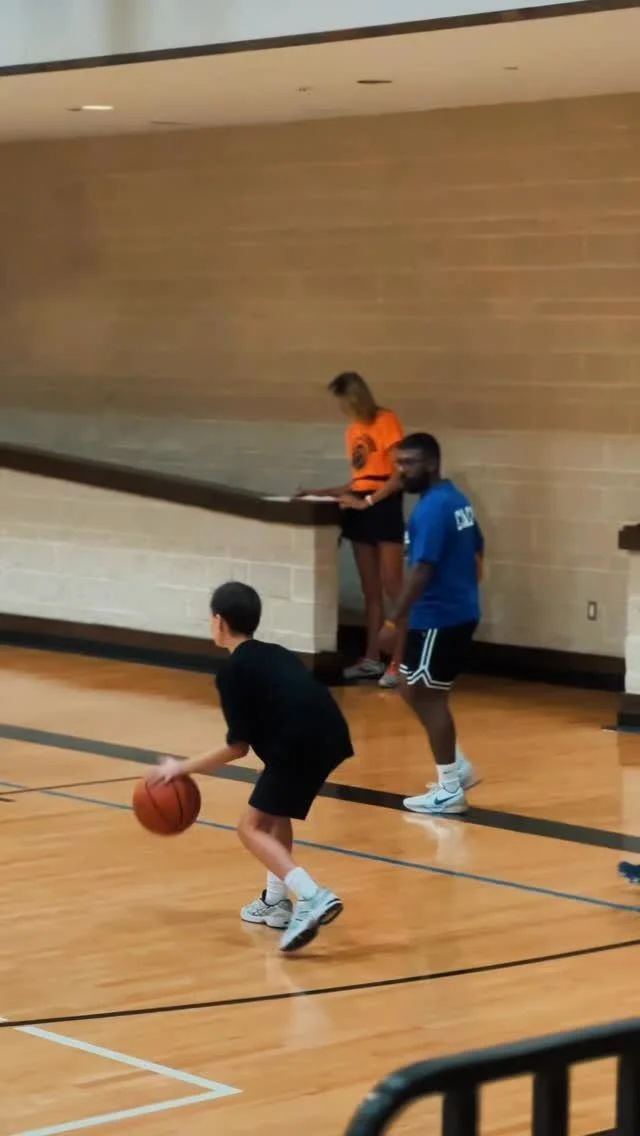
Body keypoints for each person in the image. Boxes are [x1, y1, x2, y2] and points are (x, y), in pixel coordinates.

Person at [148, 581, 353, 953]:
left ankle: (313, 896)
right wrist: (274, 764)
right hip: (331, 734)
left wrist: (180, 769)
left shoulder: (233, 671)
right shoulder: (275, 653)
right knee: (276, 811)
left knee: (250, 827)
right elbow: (290, 705)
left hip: (299, 742)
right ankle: (276, 901)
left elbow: (237, 747)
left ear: (219, 622)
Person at [378, 433, 484, 815]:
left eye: (409, 463)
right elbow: (477, 548)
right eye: (398, 463)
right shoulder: (455, 499)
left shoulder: (433, 509)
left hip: (440, 617)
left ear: (432, 463)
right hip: (452, 612)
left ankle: (450, 788)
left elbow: (422, 569)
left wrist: (393, 620)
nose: (401, 471)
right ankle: (459, 765)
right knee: (409, 687)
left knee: (428, 697)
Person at [297, 372, 405, 688]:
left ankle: (400, 662)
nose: (343, 409)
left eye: (344, 402)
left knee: (394, 588)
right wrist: (322, 492)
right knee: (370, 591)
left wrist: (368, 501)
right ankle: (372, 658)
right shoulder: (353, 430)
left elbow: (398, 475)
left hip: (383, 505)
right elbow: (359, 481)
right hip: (361, 507)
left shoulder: (386, 420)